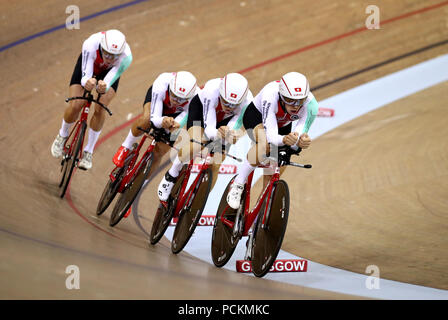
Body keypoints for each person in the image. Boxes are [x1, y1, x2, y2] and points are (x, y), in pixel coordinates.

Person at [226, 71, 319, 209]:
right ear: (281, 96)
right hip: (256, 117)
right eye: (290, 100)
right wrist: (286, 140)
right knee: (265, 145)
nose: (295, 105)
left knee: (279, 163)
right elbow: (271, 137)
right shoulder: (270, 94)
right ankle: (238, 184)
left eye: (300, 101)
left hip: (282, 126)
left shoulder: (311, 105)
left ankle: (262, 210)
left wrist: (301, 142)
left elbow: (298, 134)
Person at [157, 73, 253, 202]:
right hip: (201, 113)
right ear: (220, 93)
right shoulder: (211, 90)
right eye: (226, 102)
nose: (229, 107)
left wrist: (230, 134)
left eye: (233, 105)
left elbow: (234, 126)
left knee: (217, 163)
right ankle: (172, 174)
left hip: (225, 122)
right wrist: (221, 136)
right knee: (196, 144)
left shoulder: (247, 103)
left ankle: (199, 201)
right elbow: (209, 130)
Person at [51, 29, 132, 170]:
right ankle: (62, 135)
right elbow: (85, 76)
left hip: (108, 74)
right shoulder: (90, 44)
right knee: (77, 104)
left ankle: (88, 151)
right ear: (101, 46)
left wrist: (104, 87)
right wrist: (87, 82)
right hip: (89, 66)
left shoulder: (126, 57)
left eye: (114, 56)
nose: (109, 58)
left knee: (101, 107)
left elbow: (111, 78)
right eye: (106, 53)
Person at [111, 71, 199, 180]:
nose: (176, 101)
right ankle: (126, 146)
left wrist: (174, 125)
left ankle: (140, 183)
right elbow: (155, 119)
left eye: (181, 99)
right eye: (174, 95)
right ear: (170, 88)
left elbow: (183, 119)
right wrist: (163, 120)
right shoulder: (162, 82)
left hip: (177, 114)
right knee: (146, 119)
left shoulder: (196, 98)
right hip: (158, 104)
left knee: (161, 150)